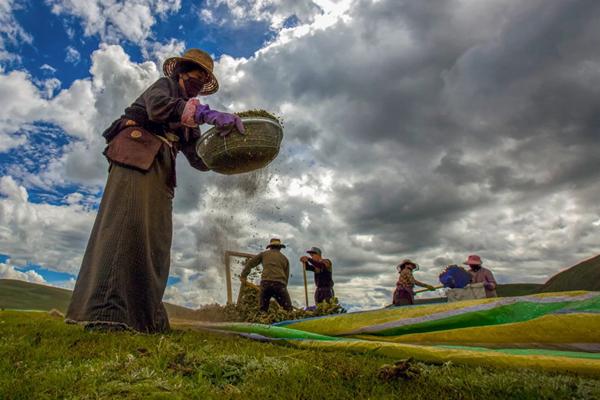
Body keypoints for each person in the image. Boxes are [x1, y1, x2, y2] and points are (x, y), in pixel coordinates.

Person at [66, 48, 244, 333]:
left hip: (162, 167)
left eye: (204, 77)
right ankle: (107, 314)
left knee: (155, 240)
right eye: (196, 74)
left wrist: (229, 153)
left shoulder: (190, 111)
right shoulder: (164, 89)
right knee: (126, 226)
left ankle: (146, 318)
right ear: (181, 72)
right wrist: (209, 115)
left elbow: (197, 156)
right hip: (136, 156)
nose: (199, 80)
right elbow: (158, 108)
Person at [240, 238, 292, 312]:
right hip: (279, 285)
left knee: (263, 310)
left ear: (270, 247)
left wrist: (243, 276)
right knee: (288, 309)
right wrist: (281, 291)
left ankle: (263, 317)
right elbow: (286, 277)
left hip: (266, 284)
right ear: (280, 248)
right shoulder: (285, 259)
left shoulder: (263, 254)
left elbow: (250, 263)